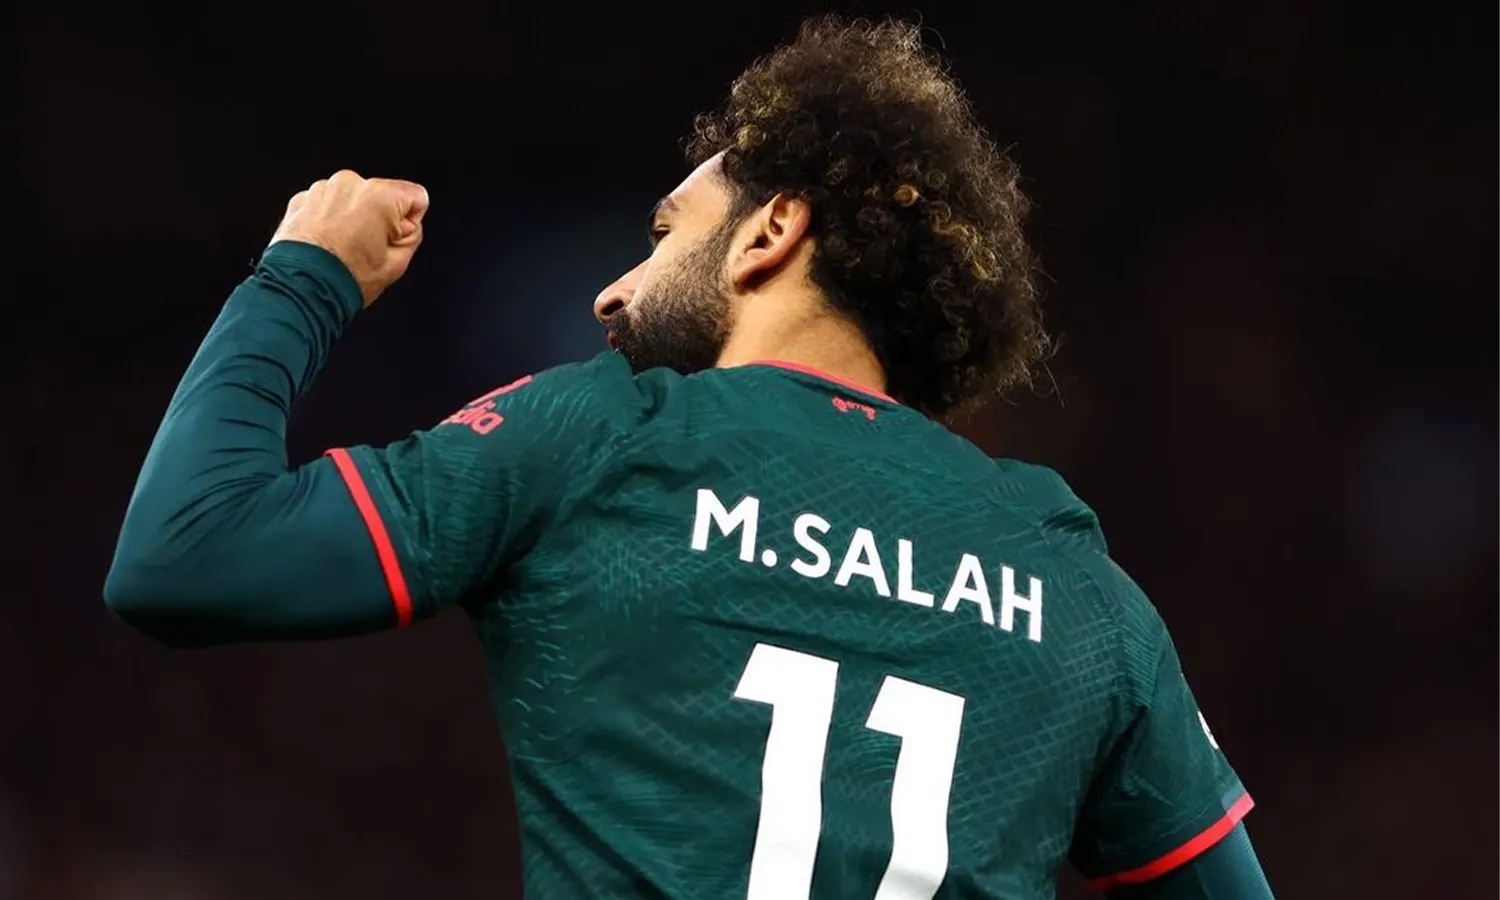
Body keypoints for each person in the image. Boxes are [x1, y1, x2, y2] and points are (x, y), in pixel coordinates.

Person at [105, 16, 1273, 900]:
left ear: (771, 232)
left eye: (665, 232)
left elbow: (183, 553)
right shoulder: (1078, 584)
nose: (612, 294)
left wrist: (303, 275)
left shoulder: (601, 436)